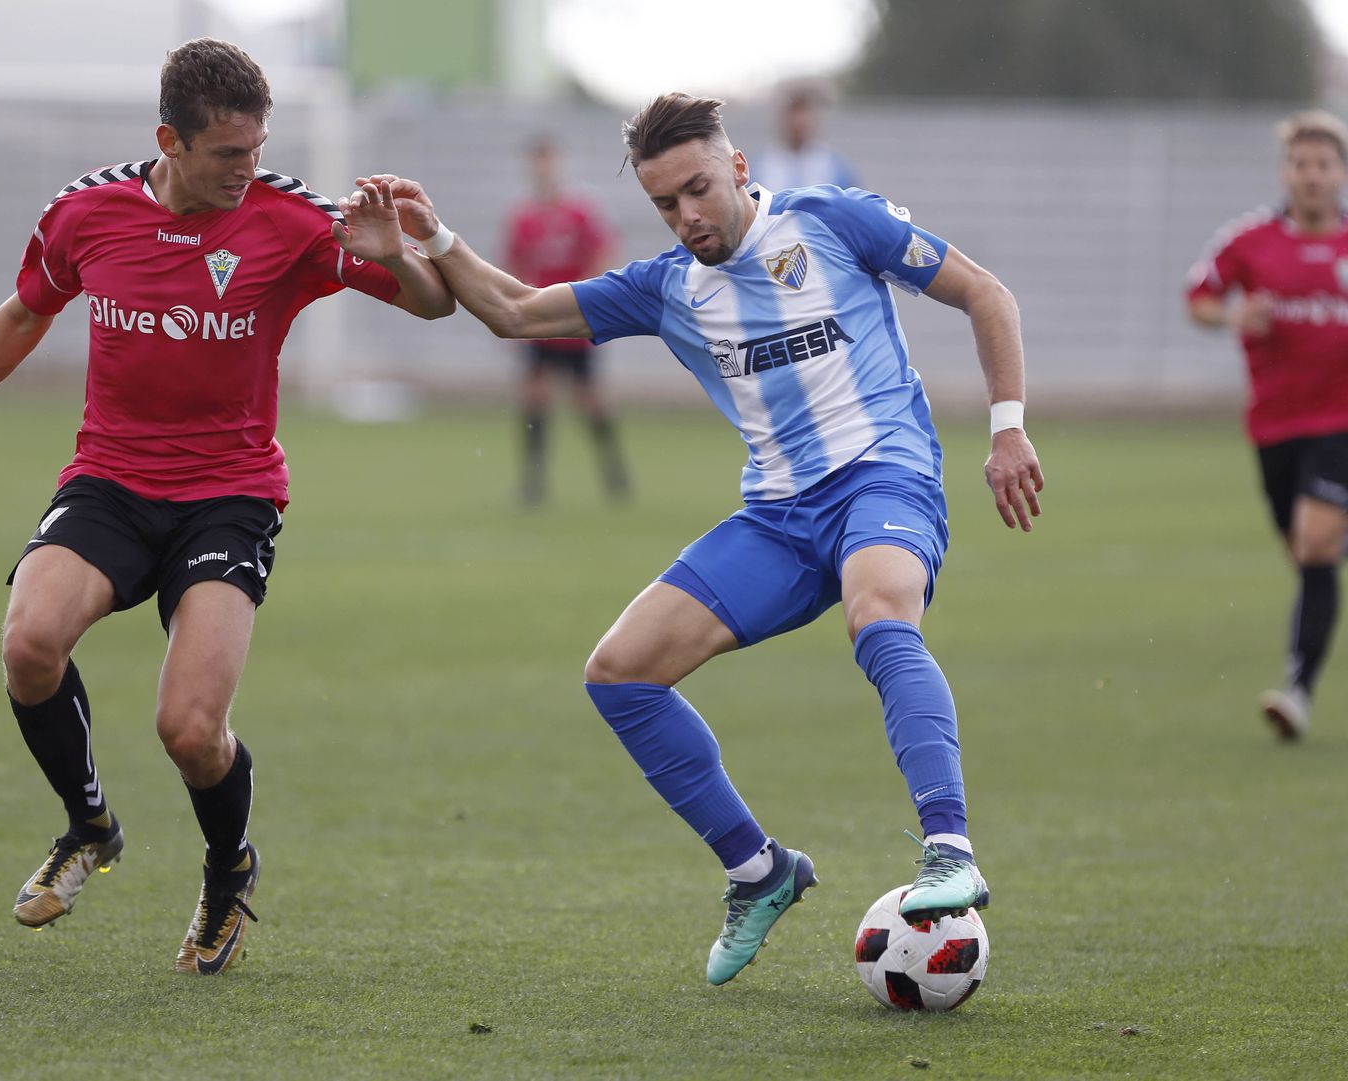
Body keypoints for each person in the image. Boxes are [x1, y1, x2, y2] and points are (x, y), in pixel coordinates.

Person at [342, 92, 1042, 985]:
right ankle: (758, 871)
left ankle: (948, 848)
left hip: (883, 478)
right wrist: (433, 239)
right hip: (779, 518)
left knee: (878, 616)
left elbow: (986, 293)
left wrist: (1009, 426)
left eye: (699, 190)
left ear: (739, 169)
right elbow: (515, 312)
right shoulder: (667, 286)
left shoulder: (834, 222)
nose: (687, 216)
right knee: (619, 670)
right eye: (665, 203)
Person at [0, 38, 452, 974]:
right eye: (229, 153)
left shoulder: (291, 219)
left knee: (188, 729)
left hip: (229, 496)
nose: (248, 170)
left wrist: (407, 252)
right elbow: (25, 312)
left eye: (257, 148)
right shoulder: (86, 211)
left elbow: (431, 308)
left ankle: (229, 870)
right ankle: (89, 826)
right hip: (109, 480)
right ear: (169, 141)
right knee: (27, 643)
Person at [1187, 109, 1348, 742]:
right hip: (1276, 426)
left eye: (1324, 165)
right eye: (1301, 164)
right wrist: (1232, 318)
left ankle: (1298, 694)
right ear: (1286, 171)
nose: (1312, 176)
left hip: (1342, 422)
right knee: (1310, 556)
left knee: (1315, 542)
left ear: (1340, 174)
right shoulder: (1248, 241)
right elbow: (1199, 298)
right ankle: (1301, 689)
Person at [502, 137, 631, 505]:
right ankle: (533, 482)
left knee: (591, 401)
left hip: (573, 319)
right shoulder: (523, 217)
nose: (543, 168)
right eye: (537, 161)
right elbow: (513, 266)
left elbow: (605, 252)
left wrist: (584, 298)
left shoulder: (582, 211)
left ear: (559, 164)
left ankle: (614, 473)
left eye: (549, 160)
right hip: (540, 322)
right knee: (534, 400)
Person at [751, 83, 859, 195]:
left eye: (803, 112)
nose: (798, 121)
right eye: (793, 113)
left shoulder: (838, 169)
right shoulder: (759, 167)